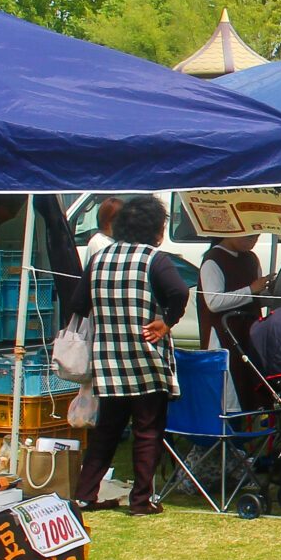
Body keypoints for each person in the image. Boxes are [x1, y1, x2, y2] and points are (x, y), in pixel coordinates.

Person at [72, 194, 191, 517]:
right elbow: (179, 292)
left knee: (106, 432)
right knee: (148, 430)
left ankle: (84, 495)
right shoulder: (155, 259)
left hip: (108, 359)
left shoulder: (99, 259)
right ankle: (141, 500)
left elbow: (79, 304)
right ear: (156, 228)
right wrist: (166, 322)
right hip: (146, 359)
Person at [199, 231, 269, 398]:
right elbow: (214, 302)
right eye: (249, 237)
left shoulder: (251, 259)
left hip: (248, 330)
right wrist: (251, 290)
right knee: (228, 390)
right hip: (223, 331)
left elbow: (256, 297)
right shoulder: (213, 259)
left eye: (256, 238)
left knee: (250, 384)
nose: (252, 243)